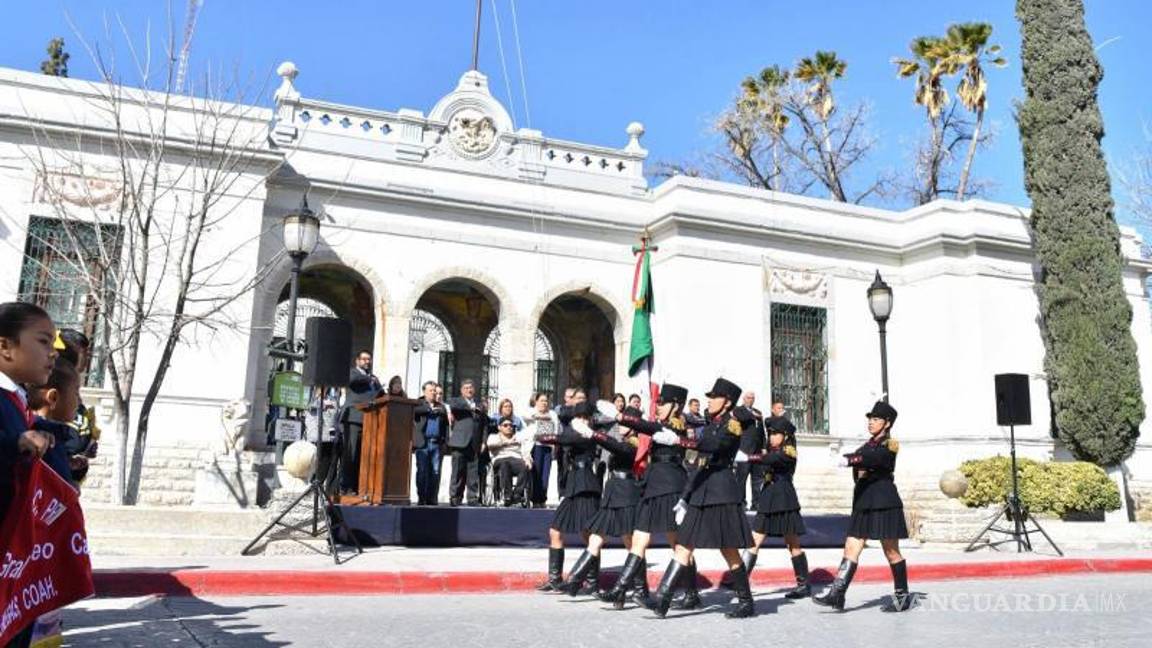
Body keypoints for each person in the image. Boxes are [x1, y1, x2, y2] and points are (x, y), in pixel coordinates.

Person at [646, 377, 757, 619]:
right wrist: (685, 497)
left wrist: (679, 440)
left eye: (714, 397)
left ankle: (746, 601)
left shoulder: (732, 425)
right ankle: (662, 600)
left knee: (728, 549)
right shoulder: (711, 424)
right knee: (684, 544)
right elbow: (700, 463)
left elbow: (714, 445)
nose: (709, 400)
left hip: (721, 491)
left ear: (727, 402)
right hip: (702, 490)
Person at [598, 383, 696, 610]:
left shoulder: (676, 427)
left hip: (671, 486)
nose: (658, 406)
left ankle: (691, 593)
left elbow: (646, 426)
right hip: (653, 485)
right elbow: (648, 426)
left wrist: (621, 416)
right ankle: (620, 588)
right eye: (657, 402)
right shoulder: (661, 425)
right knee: (639, 539)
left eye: (663, 403)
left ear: (676, 406)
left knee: (678, 544)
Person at [0, 303, 63, 648]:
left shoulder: (17, 398)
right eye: (43, 341)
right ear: (5, 346)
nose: (53, 353)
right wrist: (15, 443)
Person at [814, 400, 912, 612]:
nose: (871, 422)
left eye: (876, 419)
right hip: (863, 501)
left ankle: (902, 597)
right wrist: (854, 463)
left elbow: (875, 458)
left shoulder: (890, 444)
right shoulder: (867, 444)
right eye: (870, 419)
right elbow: (862, 461)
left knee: (891, 551)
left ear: (887, 423)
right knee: (851, 547)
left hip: (884, 502)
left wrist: (851, 460)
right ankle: (837, 594)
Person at [555, 405, 641, 596]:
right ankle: (574, 581)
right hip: (612, 493)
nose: (620, 426)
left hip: (627, 494)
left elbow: (617, 448)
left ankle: (639, 589)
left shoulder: (635, 443)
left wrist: (593, 434)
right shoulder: (623, 440)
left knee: (632, 544)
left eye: (625, 424)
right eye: (620, 422)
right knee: (595, 539)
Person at [724, 415, 810, 598]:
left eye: (776, 434)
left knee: (792, 543)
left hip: (784, 499)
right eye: (770, 434)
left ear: (785, 436)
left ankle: (804, 585)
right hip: (769, 496)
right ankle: (740, 580)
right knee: (754, 538)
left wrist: (748, 457)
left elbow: (771, 459)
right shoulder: (772, 450)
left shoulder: (788, 451)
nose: (771, 437)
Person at [534, 401, 602, 593]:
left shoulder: (587, 435)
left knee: (589, 535)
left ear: (590, 419)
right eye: (578, 417)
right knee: (555, 531)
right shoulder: (574, 431)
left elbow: (560, 438)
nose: (581, 420)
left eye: (584, 417)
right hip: (573, 485)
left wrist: (538, 435)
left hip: (586, 485)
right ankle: (555, 579)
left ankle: (592, 582)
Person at [343, 350, 382, 493]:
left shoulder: (372, 377)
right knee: (351, 453)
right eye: (364, 359)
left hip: (369, 420)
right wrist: (369, 379)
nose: (367, 362)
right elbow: (352, 381)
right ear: (357, 361)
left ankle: (360, 486)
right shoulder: (353, 373)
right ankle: (346, 486)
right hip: (354, 418)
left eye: (369, 359)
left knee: (363, 455)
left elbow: (380, 394)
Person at [446, 379, 487, 506]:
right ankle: (455, 497)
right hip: (459, 442)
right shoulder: (457, 401)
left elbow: (484, 424)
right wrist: (471, 407)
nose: (469, 390)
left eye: (471, 387)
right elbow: (453, 405)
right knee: (457, 472)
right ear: (462, 390)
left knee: (473, 473)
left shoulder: (480, 405)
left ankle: (472, 498)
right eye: (466, 388)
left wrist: (483, 441)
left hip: (474, 444)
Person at [413, 381, 449, 505]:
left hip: (437, 444)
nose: (433, 393)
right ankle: (421, 498)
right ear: (424, 392)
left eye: (434, 390)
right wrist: (430, 409)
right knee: (422, 471)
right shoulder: (418, 403)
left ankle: (432, 498)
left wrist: (445, 442)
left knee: (435, 472)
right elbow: (415, 411)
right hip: (423, 443)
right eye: (431, 390)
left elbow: (446, 426)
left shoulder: (441, 407)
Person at [486, 415, 532, 506]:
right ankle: (507, 495)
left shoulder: (518, 437)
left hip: (516, 459)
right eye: (505, 425)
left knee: (525, 467)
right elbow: (490, 445)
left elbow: (525, 451)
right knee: (505, 464)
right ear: (499, 427)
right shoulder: (494, 437)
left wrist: (528, 459)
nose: (509, 427)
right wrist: (506, 443)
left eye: (511, 425)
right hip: (500, 459)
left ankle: (517, 494)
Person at [526, 393, 559, 508]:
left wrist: (555, 445)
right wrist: (539, 416)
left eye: (546, 401)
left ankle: (542, 499)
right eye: (541, 400)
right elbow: (526, 417)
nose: (544, 403)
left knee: (545, 474)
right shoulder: (531, 412)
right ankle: (535, 499)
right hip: (536, 446)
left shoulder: (552, 414)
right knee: (536, 473)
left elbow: (556, 429)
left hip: (548, 447)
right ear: (536, 402)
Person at [733, 391, 766, 509]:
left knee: (757, 478)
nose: (750, 400)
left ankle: (756, 503)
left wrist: (764, 446)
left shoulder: (758, 412)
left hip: (757, 451)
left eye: (752, 398)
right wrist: (753, 415)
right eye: (748, 398)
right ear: (744, 399)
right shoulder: (739, 410)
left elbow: (761, 431)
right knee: (741, 478)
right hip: (744, 450)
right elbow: (742, 418)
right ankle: (741, 502)